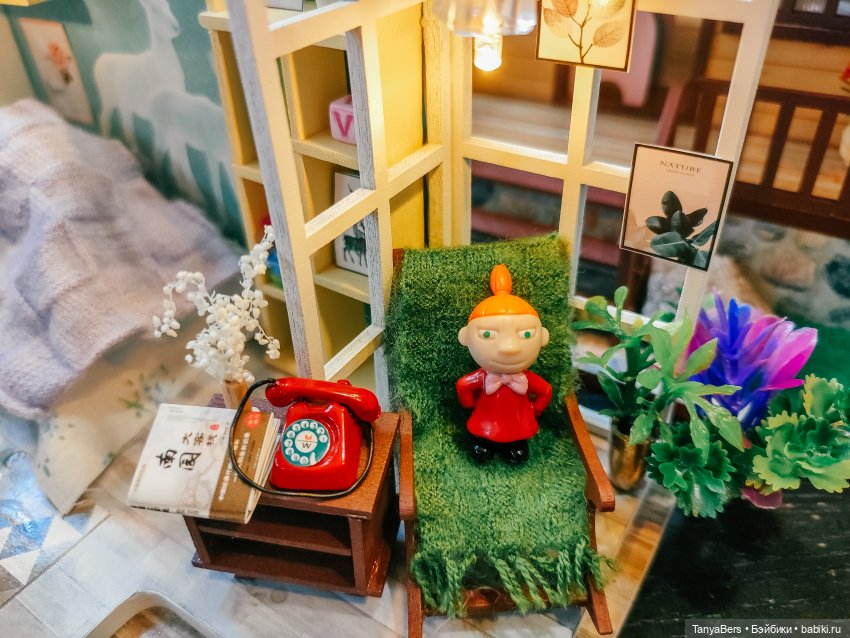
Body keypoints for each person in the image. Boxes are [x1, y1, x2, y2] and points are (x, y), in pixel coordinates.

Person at [457, 264, 552, 464]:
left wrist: (535, 410)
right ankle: (485, 444)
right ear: (465, 337)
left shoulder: (524, 378)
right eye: (487, 334)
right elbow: (463, 385)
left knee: (517, 448)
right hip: (485, 421)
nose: (509, 348)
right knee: (482, 445)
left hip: (518, 421)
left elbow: (545, 390)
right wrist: (469, 404)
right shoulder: (484, 376)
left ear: (543, 337)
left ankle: (515, 445)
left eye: (526, 334)